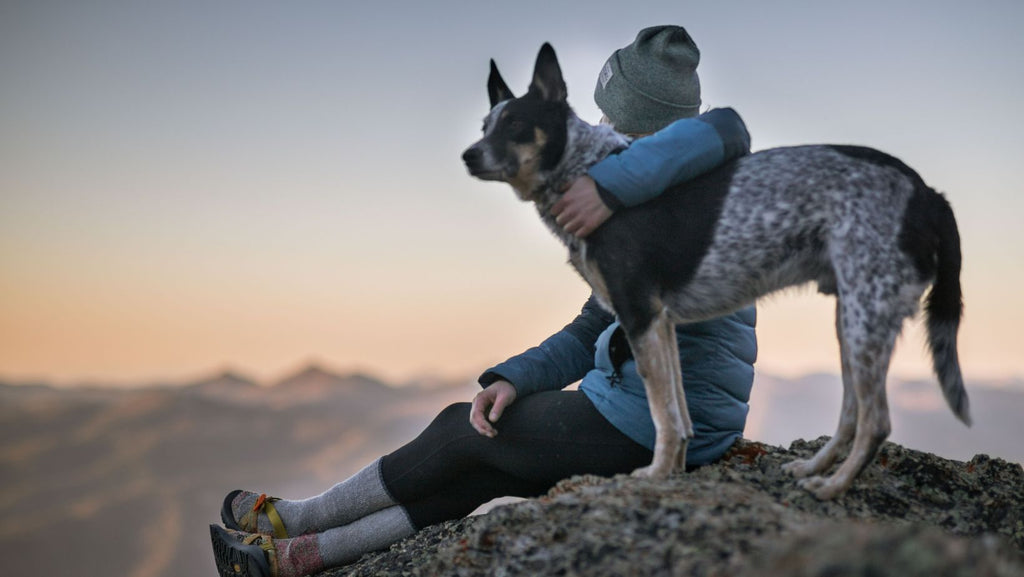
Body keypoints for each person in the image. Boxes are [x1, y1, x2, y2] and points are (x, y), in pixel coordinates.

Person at [210, 25, 757, 577]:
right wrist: (516, 377)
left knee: (461, 430)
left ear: (644, 128)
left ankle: (295, 520)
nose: (597, 127)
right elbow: (597, 321)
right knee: (482, 470)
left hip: (664, 423)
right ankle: (294, 560)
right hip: (655, 410)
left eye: (610, 118)